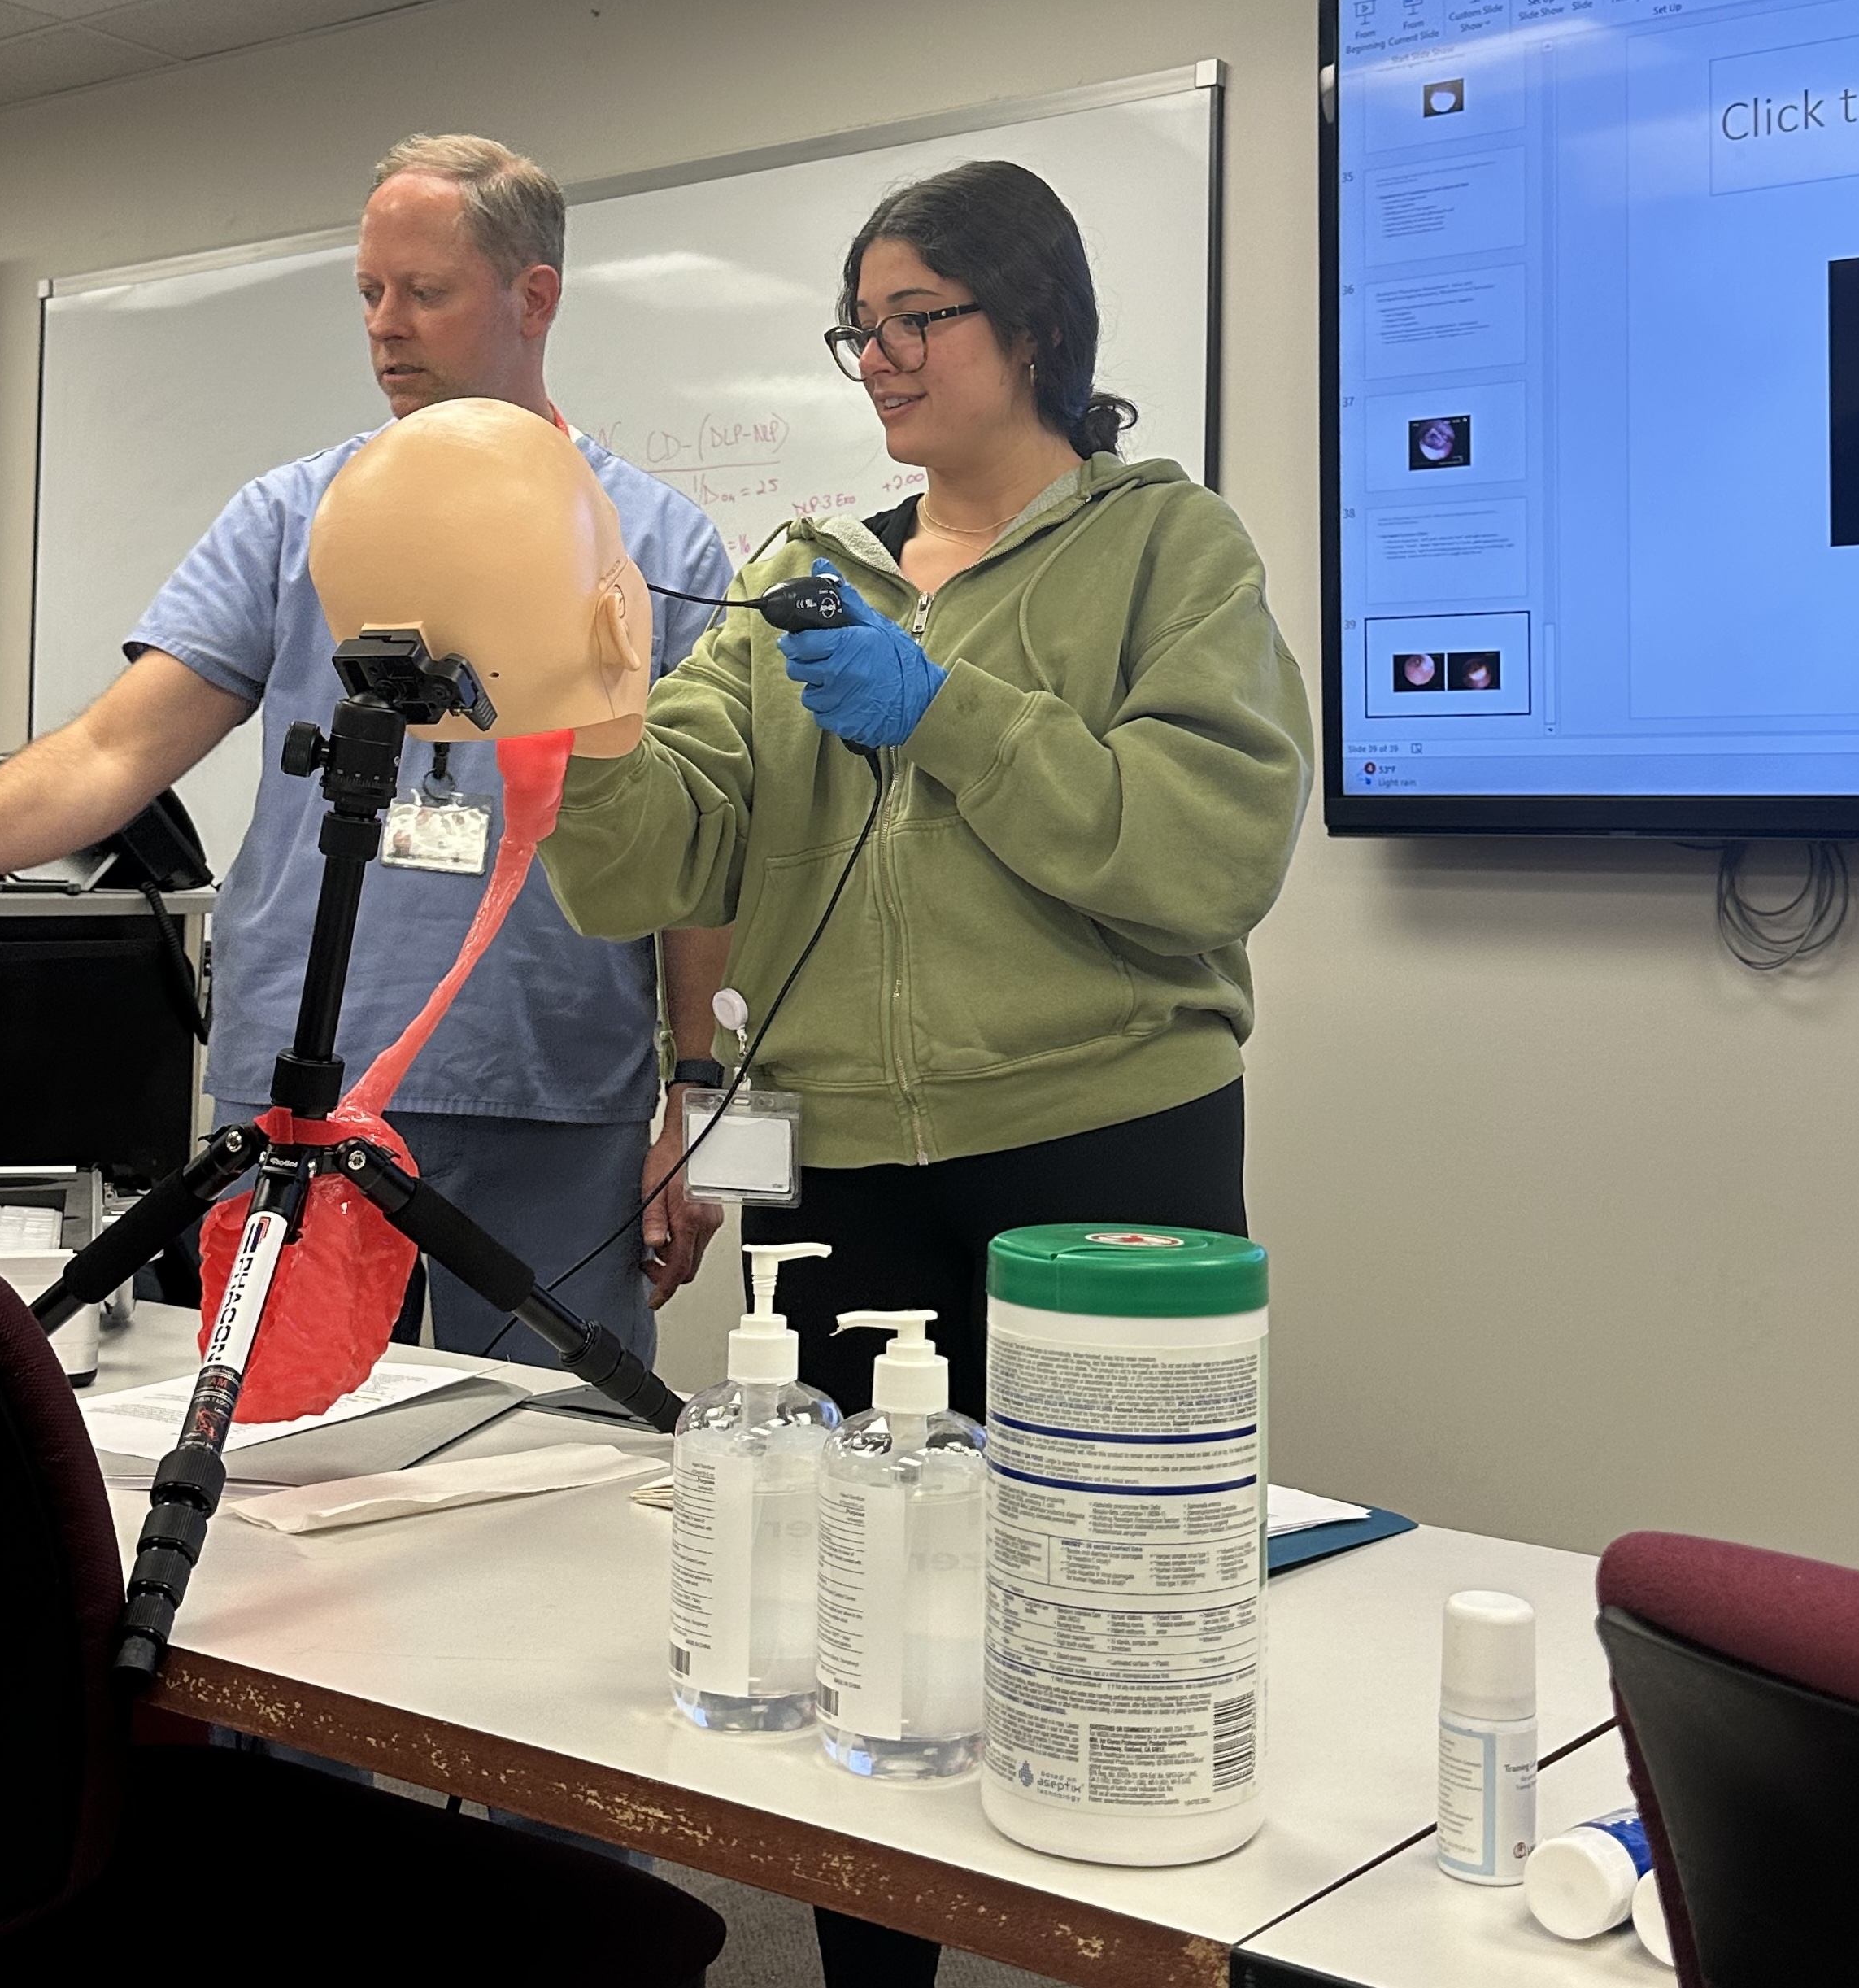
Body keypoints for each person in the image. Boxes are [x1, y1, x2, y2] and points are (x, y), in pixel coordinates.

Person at [534, 159, 1313, 1988]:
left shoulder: (1163, 550)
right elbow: (673, 857)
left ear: (1028, 321)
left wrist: (947, 713)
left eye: (915, 319)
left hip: (1102, 1142)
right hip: (848, 1169)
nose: (876, 358)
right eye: (856, 328)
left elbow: (1204, 851)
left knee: (1106, 1614)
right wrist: (570, 733)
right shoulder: (801, 573)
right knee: (848, 1614)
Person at [0, 133, 732, 1360]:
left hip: (551, 1089)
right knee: (267, 1452)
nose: (386, 326)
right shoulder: (292, 517)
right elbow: (111, 751)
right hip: (300, 1078)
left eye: (425, 292)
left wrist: (699, 1096)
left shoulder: (662, 546)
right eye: (368, 291)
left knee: (549, 1463)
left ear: (534, 296)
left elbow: (699, 856)